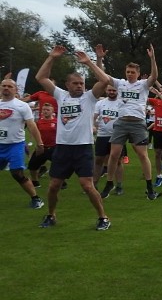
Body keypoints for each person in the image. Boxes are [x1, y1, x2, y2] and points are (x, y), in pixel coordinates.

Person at [34, 46, 111, 230]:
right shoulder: (60, 95)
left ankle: (103, 217)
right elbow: (41, 78)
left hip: (82, 147)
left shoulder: (89, 97)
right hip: (63, 147)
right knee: (53, 186)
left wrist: (89, 62)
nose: (79, 86)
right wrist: (51, 57)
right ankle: (51, 215)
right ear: (67, 84)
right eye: (75, 83)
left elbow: (105, 80)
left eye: (81, 83)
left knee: (87, 185)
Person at [88, 43, 161, 200]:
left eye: (132, 72)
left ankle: (149, 187)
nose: (129, 74)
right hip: (121, 122)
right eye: (128, 71)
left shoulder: (143, 84)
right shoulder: (120, 83)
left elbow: (154, 77)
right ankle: (109, 183)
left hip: (137, 122)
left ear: (138, 73)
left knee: (142, 154)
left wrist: (153, 58)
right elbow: (101, 77)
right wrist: (99, 59)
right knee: (114, 154)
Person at [0, 78, 45, 208]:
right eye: (4, 86)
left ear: (16, 90)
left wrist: (39, 143)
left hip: (15, 145)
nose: (6, 88)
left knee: (17, 173)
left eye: (10, 86)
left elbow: (32, 125)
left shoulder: (22, 106)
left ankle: (35, 198)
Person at [93, 85, 125, 192]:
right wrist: (93, 126)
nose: (111, 92)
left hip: (117, 136)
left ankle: (119, 186)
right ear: (106, 90)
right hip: (102, 135)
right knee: (98, 160)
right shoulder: (100, 103)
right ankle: (94, 184)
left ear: (117, 91)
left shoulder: (121, 103)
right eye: (109, 90)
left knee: (118, 161)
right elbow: (93, 117)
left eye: (114, 90)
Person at [27, 101, 57, 188]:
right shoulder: (38, 122)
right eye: (44, 109)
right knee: (32, 166)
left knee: (58, 165)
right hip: (41, 147)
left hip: (54, 147)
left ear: (52, 111)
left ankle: (60, 182)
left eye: (48, 110)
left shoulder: (56, 122)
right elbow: (33, 131)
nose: (45, 111)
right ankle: (35, 181)